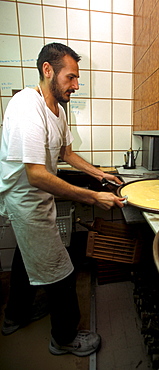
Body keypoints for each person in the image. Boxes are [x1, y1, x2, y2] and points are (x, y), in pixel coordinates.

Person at [0, 43, 125, 357]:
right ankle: (64, 338)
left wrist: (101, 175)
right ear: (48, 70)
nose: (77, 85)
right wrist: (94, 196)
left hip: (39, 196)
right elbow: (36, 174)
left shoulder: (57, 109)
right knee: (62, 269)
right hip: (26, 199)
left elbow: (66, 154)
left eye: (77, 78)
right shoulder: (27, 106)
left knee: (25, 256)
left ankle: (15, 315)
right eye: (71, 78)